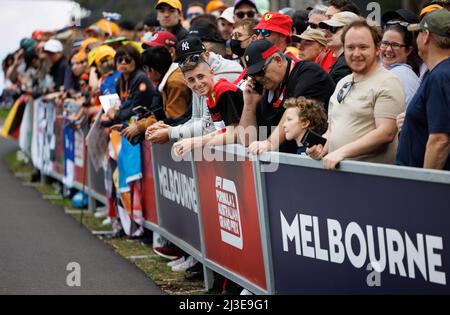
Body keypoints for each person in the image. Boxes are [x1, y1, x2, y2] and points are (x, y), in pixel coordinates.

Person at [308, 20, 405, 170]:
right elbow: (333, 129)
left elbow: (386, 133)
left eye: (363, 47)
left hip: (370, 180)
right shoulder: (342, 82)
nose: (356, 53)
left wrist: (342, 152)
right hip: (338, 176)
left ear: (377, 49)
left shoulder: (388, 82)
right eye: (350, 47)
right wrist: (321, 147)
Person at [239, 40, 335, 154]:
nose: (258, 79)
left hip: (313, 162)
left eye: (260, 72)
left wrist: (270, 143)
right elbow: (246, 141)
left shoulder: (309, 73)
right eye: (253, 76)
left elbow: (295, 108)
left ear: (277, 60)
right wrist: (249, 106)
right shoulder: (265, 91)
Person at [147, 37, 242, 144]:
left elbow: (209, 127)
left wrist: (171, 132)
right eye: (183, 61)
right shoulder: (195, 76)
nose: (190, 63)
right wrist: (169, 127)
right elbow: (196, 118)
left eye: (194, 58)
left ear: (206, 55)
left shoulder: (218, 81)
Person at [397, 9, 450, 170]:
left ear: (426, 35)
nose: (416, 39)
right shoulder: (438, 73)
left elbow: (440, 140)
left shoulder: (440, 76)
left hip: (425, 186)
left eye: (418, 33)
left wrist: (426, 184)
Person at [172, 54, 244, 156]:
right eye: (191, 80)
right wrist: (192, 141)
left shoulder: (223, 91)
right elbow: (222, 131)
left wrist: (195, 143)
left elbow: (235, 134)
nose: (198, 83)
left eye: (200, 76)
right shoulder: (209, 96)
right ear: (186, 84)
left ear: (212, 73)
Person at [124, 46, 191, 144]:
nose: (145, 73)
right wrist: (140, 124)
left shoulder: (173, 82)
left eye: (145, 68)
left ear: (152, 70)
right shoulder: (172, 76)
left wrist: (141, 126)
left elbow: (175, 118)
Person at [380, 23, 421, 109]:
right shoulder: (387, 72)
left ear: (408, 51)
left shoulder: (402, 75)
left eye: (395, 45)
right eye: (385, 43)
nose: (388, 49)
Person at [319, 11, 361, 83]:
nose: (326, 34)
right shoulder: (345, 61)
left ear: (351, 31)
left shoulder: (346, 65)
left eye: (333, 28)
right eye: (326, 29)